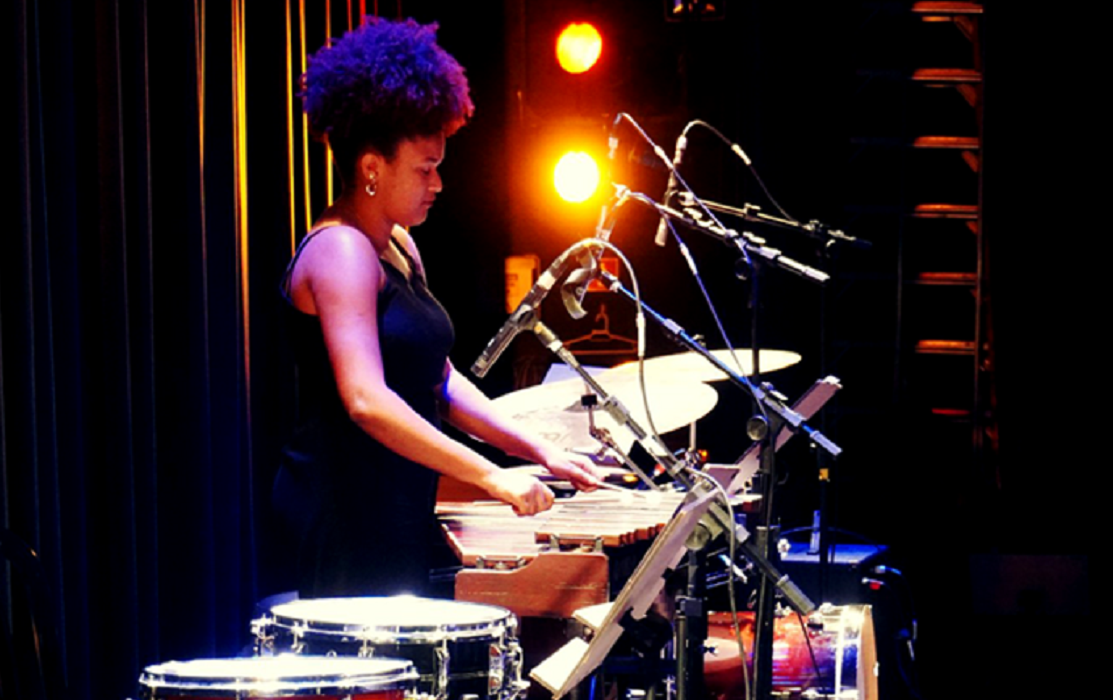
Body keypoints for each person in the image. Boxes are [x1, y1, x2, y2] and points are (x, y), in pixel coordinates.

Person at [273, 17, 601, 599]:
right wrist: (491, 476)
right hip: (343, 515)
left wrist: (539, 449)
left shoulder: (398, 245)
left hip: (392, 504)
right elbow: (366, 400)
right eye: (425, 168)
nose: (439, 183)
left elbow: (438, 379)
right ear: (372, 168)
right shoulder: (340, 250)